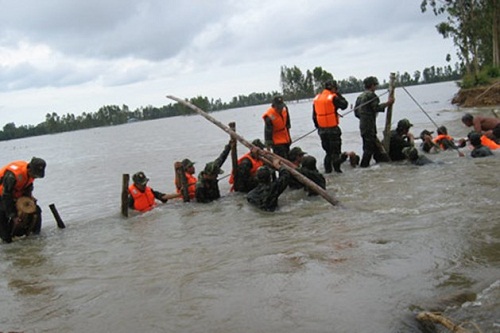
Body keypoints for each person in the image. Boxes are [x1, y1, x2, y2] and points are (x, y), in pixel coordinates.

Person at [0, 157, 46, 243]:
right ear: (29, 169)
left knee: (37, 210)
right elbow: (6, 196)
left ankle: (36, 237)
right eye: (34, 175)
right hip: (3, 195)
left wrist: (30, 198)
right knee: (2, 218)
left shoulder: (31, 175)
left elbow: (28, 187)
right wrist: (13, 216)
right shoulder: (13, 175)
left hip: (14, 194)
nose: (35, 177)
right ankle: (6, 242)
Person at [355, 76, 394, 167]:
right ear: (372, 85)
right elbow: (377, 108)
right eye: (375, 85)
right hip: (369, 125)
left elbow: (356, 113)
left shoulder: (360, 97)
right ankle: (364, 167)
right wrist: (388, 103)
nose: (376, 87)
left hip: (362, 125)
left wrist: (364, 117)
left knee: (372, 146)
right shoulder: (371, 95)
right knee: (369, 148)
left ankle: (381, 164)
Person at [312, 80, 349, 173]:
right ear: (333, 88)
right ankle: (338, 172)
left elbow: (314, 115)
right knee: (336, 153)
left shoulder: (317, 98)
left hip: (322, 130)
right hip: (333, 129)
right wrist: (338, 94)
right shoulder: (333, 97)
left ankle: (328, 172)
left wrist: (319, 127)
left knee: (328, 153)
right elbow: (344, 105)